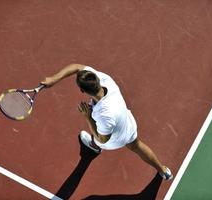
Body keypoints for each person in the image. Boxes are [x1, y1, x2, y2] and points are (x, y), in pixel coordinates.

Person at [41, 63, 173, 180]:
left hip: (112, 141)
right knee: (136, 145)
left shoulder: (103, 115)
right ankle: (163, 171)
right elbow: (77, 66)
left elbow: (103, 139)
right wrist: (54, 79)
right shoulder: (106, 80)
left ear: (82, 91)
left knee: (94, 123)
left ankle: (95, 146)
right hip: (127, 124)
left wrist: (88, 117)